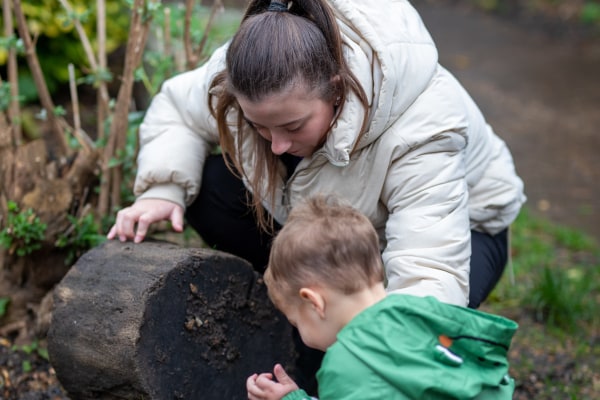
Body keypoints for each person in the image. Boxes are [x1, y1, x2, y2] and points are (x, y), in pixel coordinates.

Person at [107, 0, 525, 392]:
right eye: (260, 127)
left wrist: (359, 361)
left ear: (337, 88)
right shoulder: (250, 68)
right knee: (211, 186)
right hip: (331, 223)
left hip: (465, 232)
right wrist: (162, 191)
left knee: (388, 347)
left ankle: (322, 332)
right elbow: (177, 109)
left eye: (292, 126)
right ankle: (294, 308)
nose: (276, 146)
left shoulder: (422, 123)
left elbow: (429, 270)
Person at [246, 194, 518, 400]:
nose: (300, 333)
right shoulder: (423, 313)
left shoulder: (349, 362)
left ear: (314, 302)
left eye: (297, 322)